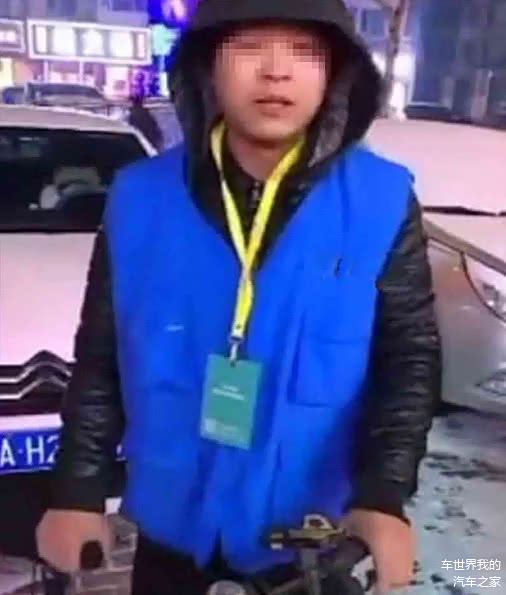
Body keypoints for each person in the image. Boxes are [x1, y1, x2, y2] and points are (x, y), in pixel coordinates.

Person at [37, 0, 442, 593]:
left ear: (335, 74)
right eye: (250, 47)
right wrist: (77, 490)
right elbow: (101, 355)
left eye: (304, 51)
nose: (276, 70)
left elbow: (407, 357)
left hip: (311, 546)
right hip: (172, 536)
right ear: (207, 67)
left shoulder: (381, 200)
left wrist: (384, 494)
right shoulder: (139, 197)